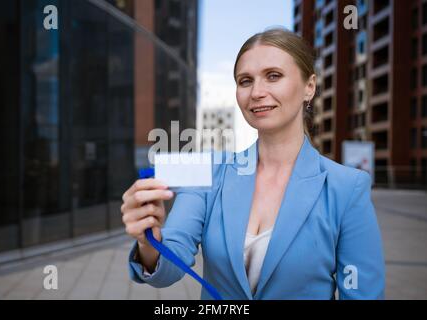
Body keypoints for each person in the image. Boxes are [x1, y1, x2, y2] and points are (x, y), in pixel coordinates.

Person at [121, 27, 385, 300]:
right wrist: (149, 241)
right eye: (245, 81)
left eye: (273, 76)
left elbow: (363, 294)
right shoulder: (209, 172)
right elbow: (167, 268)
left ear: (310, 87)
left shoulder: (347, 187)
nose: (257, 92)